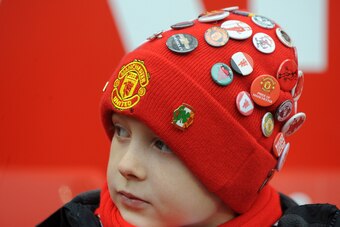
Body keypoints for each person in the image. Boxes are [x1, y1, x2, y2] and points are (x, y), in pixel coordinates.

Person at [38, 6, 340, 227]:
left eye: (163, 144)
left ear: (234, 176)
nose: (126, 166)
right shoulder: (73, 221)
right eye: (121, 131)